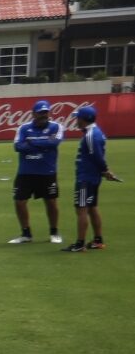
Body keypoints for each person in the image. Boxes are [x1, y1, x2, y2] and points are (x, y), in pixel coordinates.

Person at [10, 99, 64, 245]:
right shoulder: (23, 128)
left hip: (47, 172)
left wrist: (32, 142)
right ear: (33, 113)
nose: (43, 115)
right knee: (19, 201)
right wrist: (44, 145)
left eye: (46, 112)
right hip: (26, 172)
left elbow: (54, 143)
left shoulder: (56, 127)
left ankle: (54, 232)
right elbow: (18, 147)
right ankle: (26, 234)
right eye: (40, 113)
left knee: (51, 202)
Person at [66, 104, 119, 252]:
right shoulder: (96, 132)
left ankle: (80, 244)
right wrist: (103, 171)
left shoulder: (90, 135)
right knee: (92, 208)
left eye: (78, 118)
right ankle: (97, 240)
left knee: (81, 209)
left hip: (85, 178)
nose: (76, 120)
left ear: (83, 119)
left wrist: (105, 170)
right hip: (92, 177)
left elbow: (97, 156)